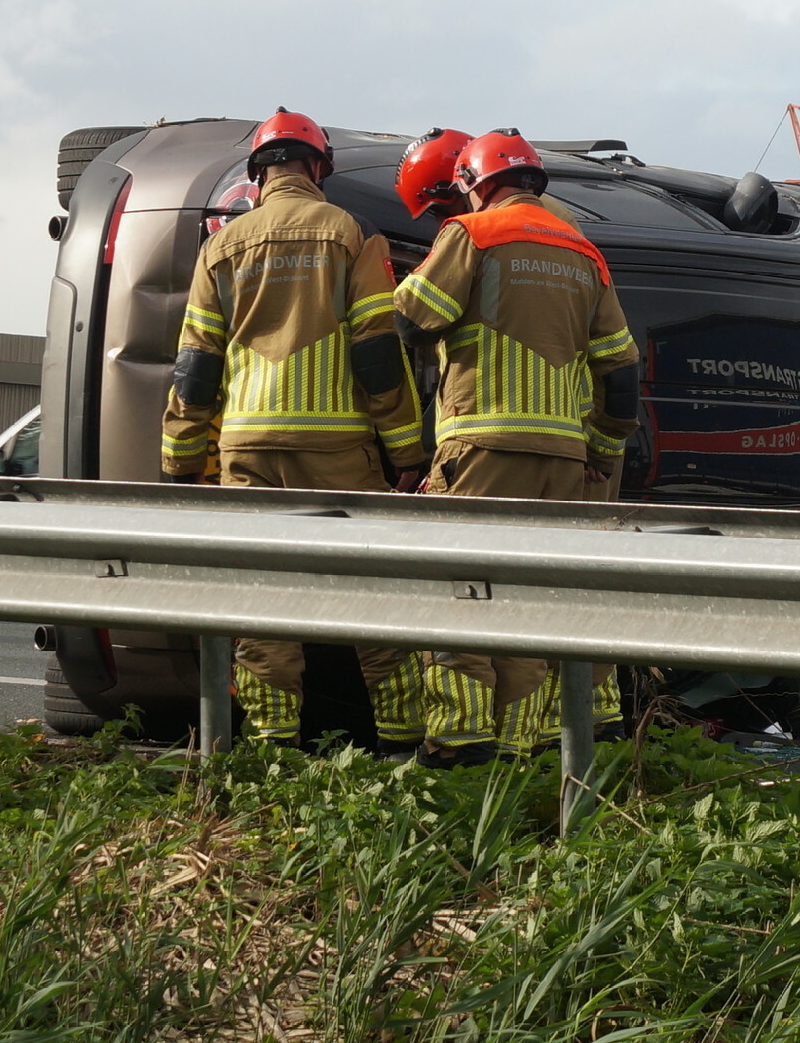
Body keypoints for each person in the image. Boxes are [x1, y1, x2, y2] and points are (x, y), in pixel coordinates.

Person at [162, 107, 427, 746]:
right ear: (317, 168)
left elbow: (195, 365)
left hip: (247, 449)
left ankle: (271, 751)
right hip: (337, 450)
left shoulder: (221, 247)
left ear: (258, 173)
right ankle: (399, 746)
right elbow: (376, 352)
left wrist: (180, 460)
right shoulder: (349, 233)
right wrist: (407, 451)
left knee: (261, 603)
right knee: (372, 604)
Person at [393, 129, 640, 766]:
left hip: (481, 447)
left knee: (463, 588)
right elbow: (620, 375)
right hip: (563, 459)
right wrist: (601, 453)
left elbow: (413, 318)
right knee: (533, 599)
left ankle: (457, 741)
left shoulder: (472, 235)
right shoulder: (584, 252)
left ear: (473, 183)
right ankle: (515, 750)